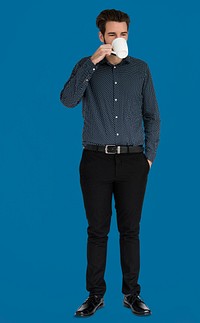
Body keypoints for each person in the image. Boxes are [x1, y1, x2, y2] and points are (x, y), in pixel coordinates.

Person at [60, 8, 160, 317]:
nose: (119, 39)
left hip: (133, 162)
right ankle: (95, 295)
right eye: (113, 34)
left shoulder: (140, 69)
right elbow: (67, 99)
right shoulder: (85, 66)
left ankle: (132, 294)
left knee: (130, 230)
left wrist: (149, 158)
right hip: (95, 161)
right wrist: (92, 62)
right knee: (97, 231)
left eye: (124, 34)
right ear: (101, 36)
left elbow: (152, 116)